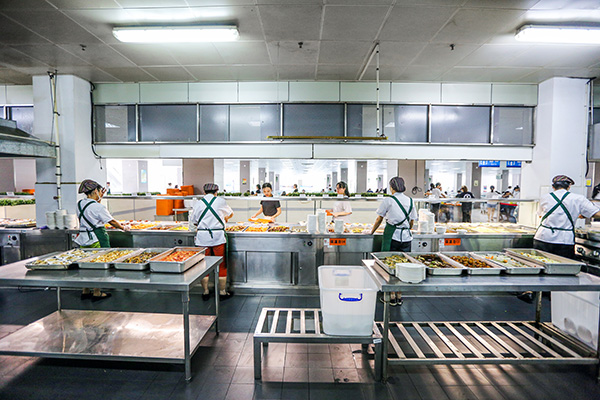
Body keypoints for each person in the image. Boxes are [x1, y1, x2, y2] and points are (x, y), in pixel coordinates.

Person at [75, 179, 128, 301]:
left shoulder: (80, 204)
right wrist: (123, 227)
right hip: (96, 238)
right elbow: (112, 221)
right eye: (99, 191)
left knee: (86, 265)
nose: (100, 193)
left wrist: (99, 199)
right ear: (95, 191)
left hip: (83, 238)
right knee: (98, 264)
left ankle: (85, 291)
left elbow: (90, 212)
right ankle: (97, 292)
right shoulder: (98, 207)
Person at [370, 177, 417, 307]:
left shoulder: (389, 200)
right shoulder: (410, 200)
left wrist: (371, 232)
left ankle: (390, 295)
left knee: (389, 264)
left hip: (392, 236)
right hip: (406, 238)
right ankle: (399, 296)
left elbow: (379, 219)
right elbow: (412, 222)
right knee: (403, 265)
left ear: (392, 187)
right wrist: (405, 229)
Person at [189, 183, 234, 301]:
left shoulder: (198, 203)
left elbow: (194, 221)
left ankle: (205, 291)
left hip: (202, 238)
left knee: (203, 265)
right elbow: (230, 213)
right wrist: (224, 218)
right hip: (218, 237)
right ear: (216, 192)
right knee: (222, 265)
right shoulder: (220, 201)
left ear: (204, 192)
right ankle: (222, 292)